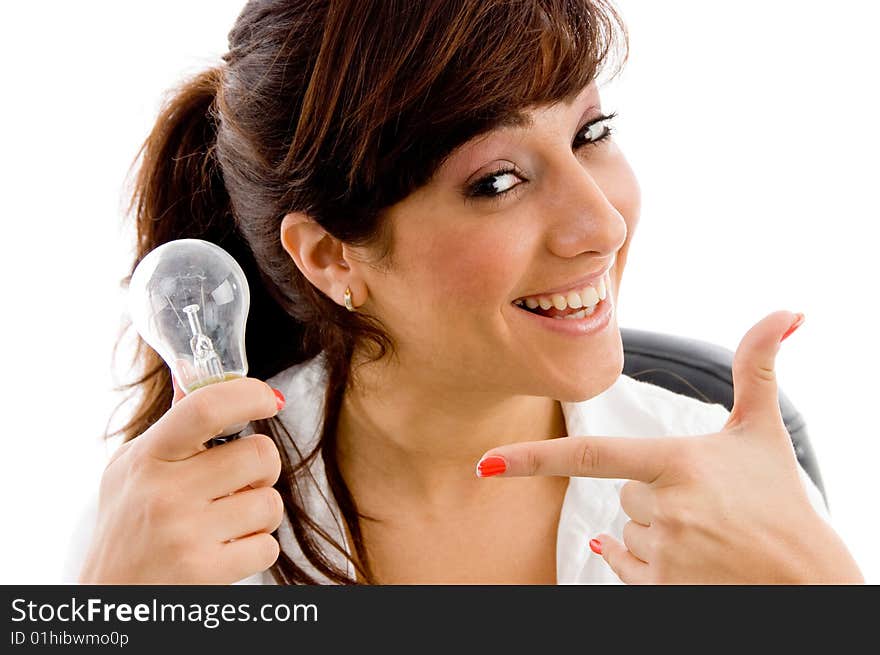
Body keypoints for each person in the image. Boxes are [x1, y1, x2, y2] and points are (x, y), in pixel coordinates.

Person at [68, 0, 863, 585]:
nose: (602, 225)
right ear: (331, 254)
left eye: (591, 133)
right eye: (499, 180)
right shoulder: (174, 537)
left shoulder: (726, 494)